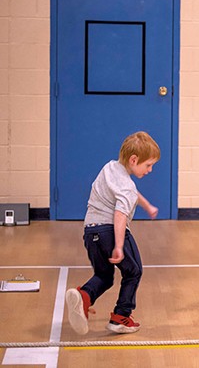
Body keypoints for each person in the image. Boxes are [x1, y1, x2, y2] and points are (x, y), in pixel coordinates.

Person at [65, 131, 161, 335]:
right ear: (134, 160)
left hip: (90, 232)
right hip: (111, 232)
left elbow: (129, 193)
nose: (150, 170)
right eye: (148, 165)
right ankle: (121, 316)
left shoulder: (110, 168)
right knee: (133, 271)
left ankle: (84, 296)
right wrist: (118, 246)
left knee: (104, 276)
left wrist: (147, 205)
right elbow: (120, 214)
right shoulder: (127, 185)